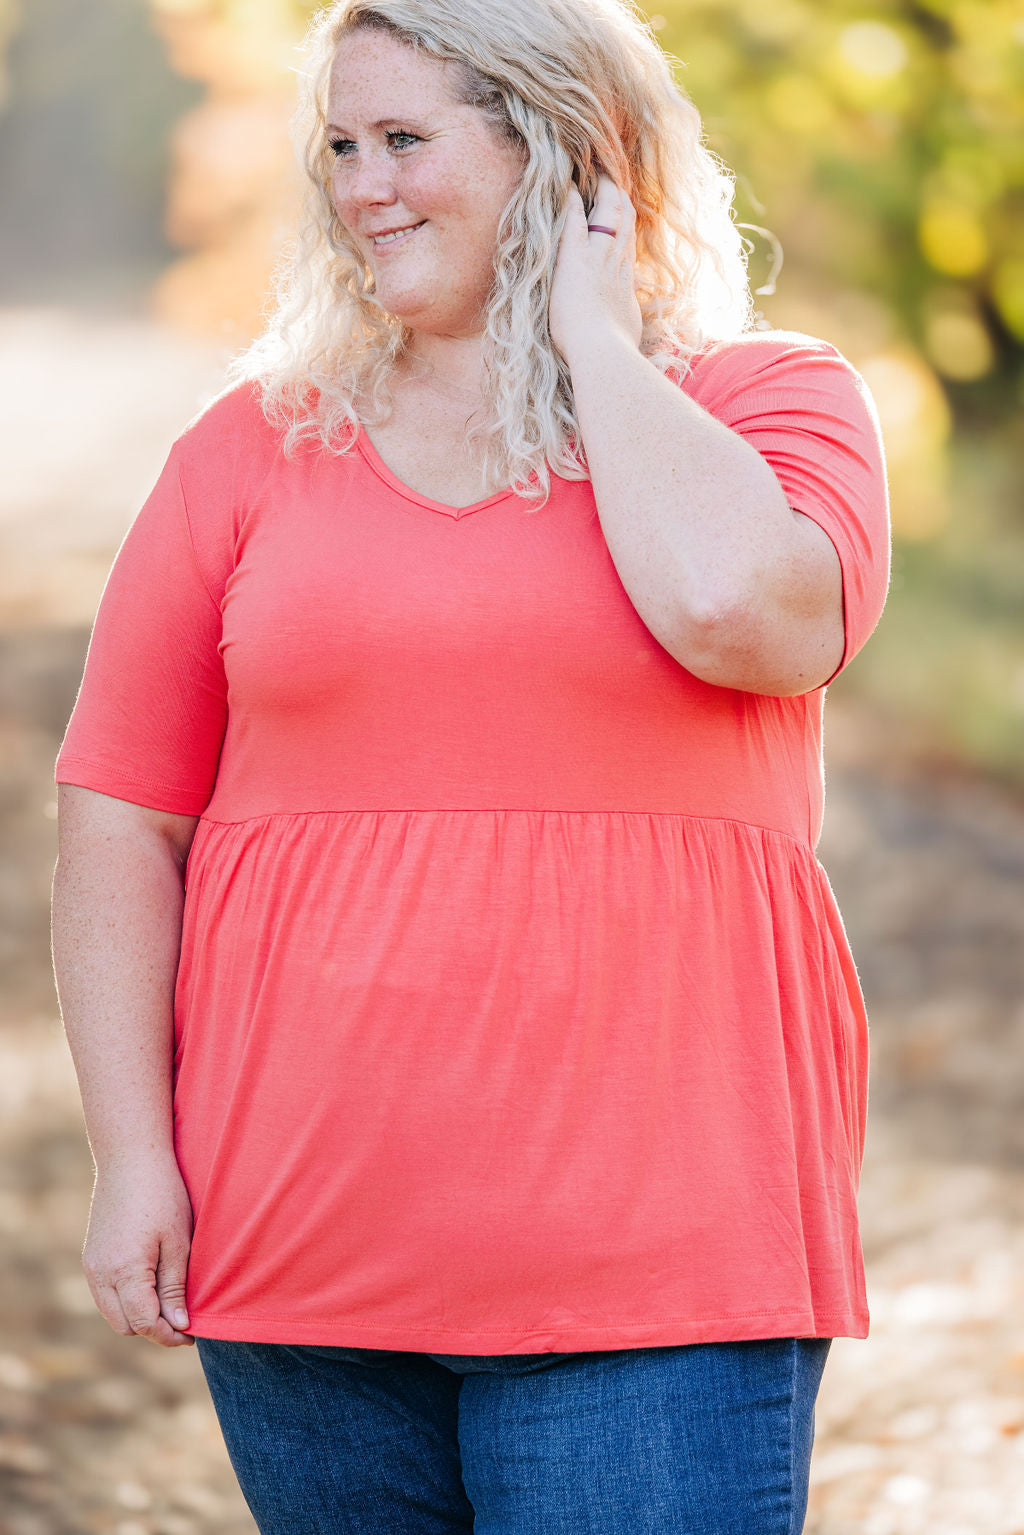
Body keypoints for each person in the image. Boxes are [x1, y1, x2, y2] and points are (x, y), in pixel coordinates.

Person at [50, 0, 890, 1529]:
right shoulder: (251, 446)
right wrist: (133, 1157)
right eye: (341, 147)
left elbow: (742, 616)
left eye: (407, 140)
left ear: (572, 150)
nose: (359, 187)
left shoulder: (765, 401)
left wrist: (593, 341)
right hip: (297, 1255)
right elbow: (120, 813)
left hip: (659, 1265)